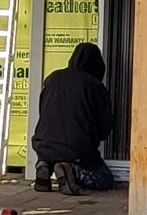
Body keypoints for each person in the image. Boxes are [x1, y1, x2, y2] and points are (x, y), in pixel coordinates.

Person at [31, 41, 115, 195]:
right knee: (105, 179)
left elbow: (43, 111)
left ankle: (44, 166)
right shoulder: (94, 85)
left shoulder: (53, 78)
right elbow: (104, 126)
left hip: (43, 146)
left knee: (55, 152)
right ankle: (72, 171)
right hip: (76, 151)